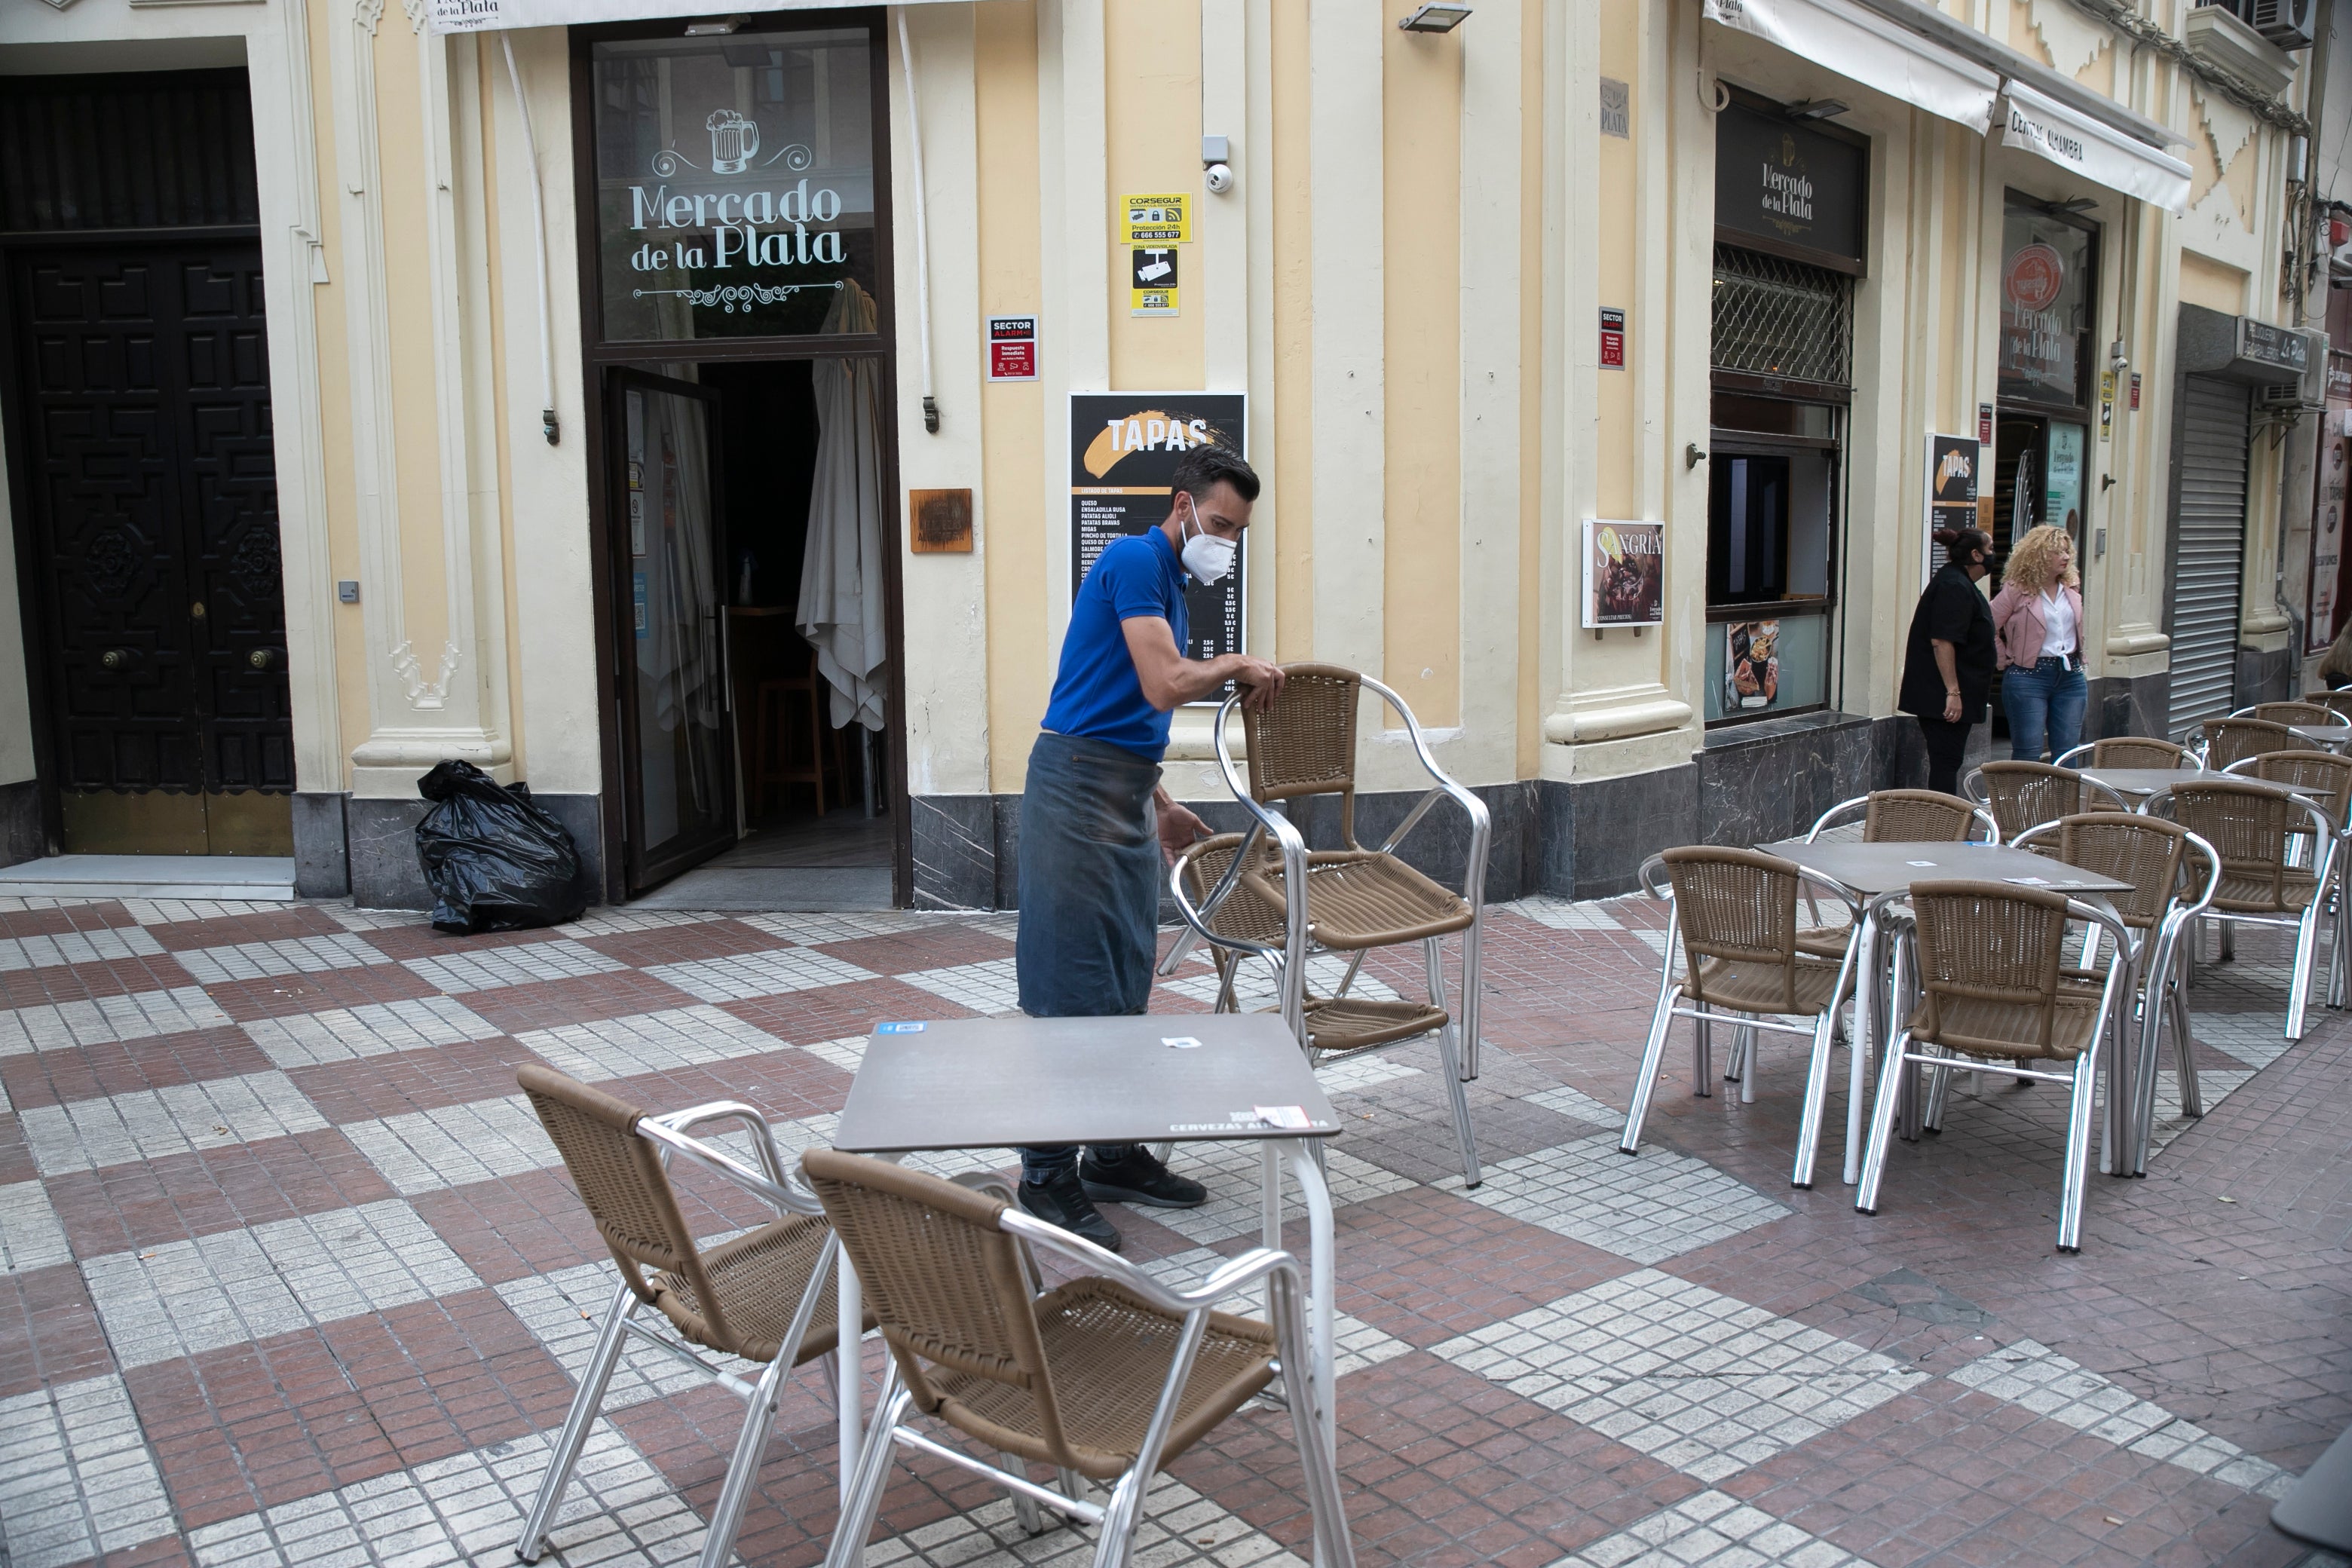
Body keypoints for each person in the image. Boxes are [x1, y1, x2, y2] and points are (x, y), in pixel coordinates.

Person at [1012, 443, 1285, 1251]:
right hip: (1071, 792)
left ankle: (1113, 1149)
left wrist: (1159, 800)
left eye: (1238, 532)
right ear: (1182, 505)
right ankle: (1045, 1175)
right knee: (1069, 987)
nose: (1226, 542)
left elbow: (1122, 701)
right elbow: (1165, 683)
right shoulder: (1135, 556)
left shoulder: (1167, 580)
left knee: (1126, 971)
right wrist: (1237, 663)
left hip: (1122, 787)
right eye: (1221, 524)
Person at [1900, 528, 1996, 795]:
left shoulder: (1960, 583)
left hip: (1953, 692)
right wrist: (1953, 692)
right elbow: (1942, 641)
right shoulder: (1954, 585)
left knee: (1948, 760)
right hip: (1943, 695)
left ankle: (1943, 824)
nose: (1993, 555)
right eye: (1990, 549)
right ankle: (1942, 827)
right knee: (1946, 761)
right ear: (1976, 555)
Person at [1992, 523, 2087, 762]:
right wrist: (2004, 659)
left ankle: (2063, 801)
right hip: (2028, 676)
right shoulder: (2016, 590)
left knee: (2068, 752)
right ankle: (2023, 801)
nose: (2065, 557)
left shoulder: (2071, 586)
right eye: (2057, 552)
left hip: (2071, 674)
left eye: (2067, 551)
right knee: (2028, 751)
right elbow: (1988, 626)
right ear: (2039, 555)